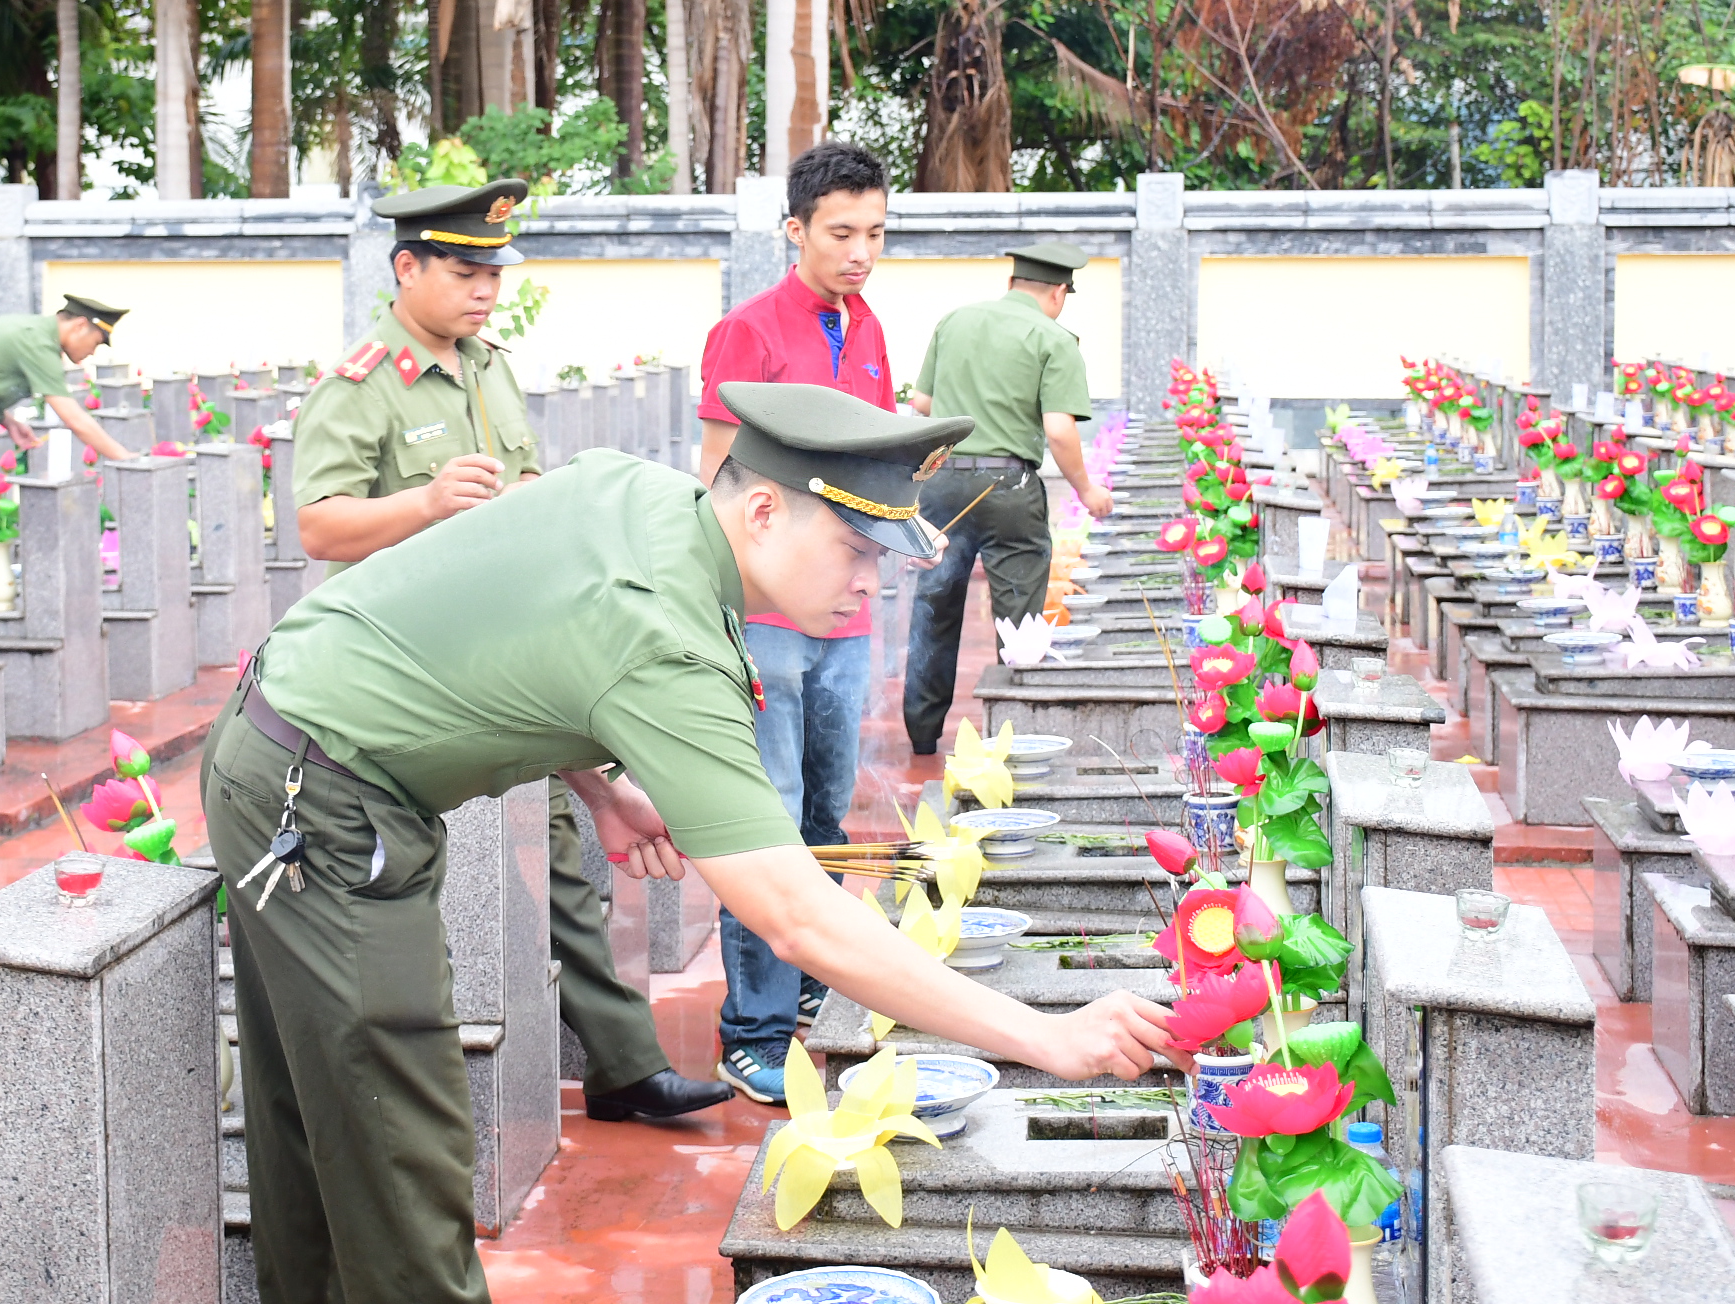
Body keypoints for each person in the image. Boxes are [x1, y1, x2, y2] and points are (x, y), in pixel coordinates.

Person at [205, 381, 1178, 1304]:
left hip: (286, 738)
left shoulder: (647, 492)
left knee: (316, 1139)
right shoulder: (671, 639)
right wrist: (1045, 1034)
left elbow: (526, 612)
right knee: (397, 1160)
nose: (870, 583)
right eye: (855, 547)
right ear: (762, 513)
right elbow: (799, 919)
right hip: (323, 806)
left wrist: (605, 782)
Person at [293, 179, 726, 1127]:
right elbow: (320, 526)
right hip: (405, 668)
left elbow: (525, 495)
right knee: (423, 881)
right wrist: (424, 503)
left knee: (565, 851)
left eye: (494, 270)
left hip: (505, 647)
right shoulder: (363, 383)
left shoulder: (488, 368)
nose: (484, 288)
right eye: (464, 269)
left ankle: (624, 1067)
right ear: (406, 268)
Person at [691, 138, 897, 1102]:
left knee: (825, 807)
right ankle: (756, 1027)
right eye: (842, 232)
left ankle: (813, 986)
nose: (860, 251)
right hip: (770, 611)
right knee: (763, 815)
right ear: (797, 231)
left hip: (845, 612)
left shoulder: (870, 329)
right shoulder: (747, 330)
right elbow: (717, 475)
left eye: (876, 234)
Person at [899, 239, 1115, 754]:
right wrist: (1087, 490)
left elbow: (922, 403)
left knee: (935, 604)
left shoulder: (954, 322)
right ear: (1059, 292)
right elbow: (1059, 430)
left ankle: (923, 737)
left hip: (944, 480)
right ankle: (1010, 739)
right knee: (1017, 617)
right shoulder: (1055, 338)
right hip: (1010, 486)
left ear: (1014, 281)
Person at [0, 295, 137, 490]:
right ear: (79, 326)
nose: (92, 352)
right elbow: (73, 417)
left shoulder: (28, 330)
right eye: (95, 342)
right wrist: (125, 459)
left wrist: (8, 421)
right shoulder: (38, 342)